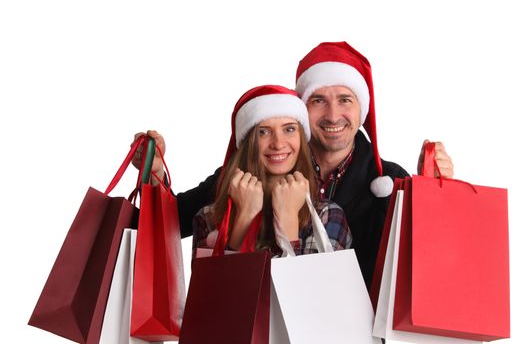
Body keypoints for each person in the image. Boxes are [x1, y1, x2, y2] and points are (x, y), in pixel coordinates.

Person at [133, 41, 453, 289]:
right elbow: (170, 224)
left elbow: (430, 263)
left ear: (362, 110)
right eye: (318, 100)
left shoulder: (390, 182)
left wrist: (439, 193)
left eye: (345, 99)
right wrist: (156, 174)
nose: (331, 115)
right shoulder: (250, 173)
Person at [189, 84, 351, 258]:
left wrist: (288, 217)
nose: (278, 144)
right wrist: (244, 218)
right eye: (264, 132)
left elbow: (309, 284)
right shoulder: (208, 218)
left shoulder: (326, 215)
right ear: (247, 142)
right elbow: (218, 284)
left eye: (289, 129)